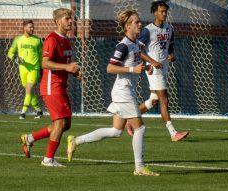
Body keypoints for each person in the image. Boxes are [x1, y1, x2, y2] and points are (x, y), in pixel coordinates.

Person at [67, 10, 159, 176]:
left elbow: (137, 59)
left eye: (139, 22)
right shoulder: (122, 45)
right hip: (123, 92)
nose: (140, 24)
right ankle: (139, 168)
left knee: (116, 131)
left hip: (126, 91)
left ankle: (76, 140)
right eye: (136, 22)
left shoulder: (136, 43)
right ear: (127, 26)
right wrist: (133, 69)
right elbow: (110, 68)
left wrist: (147, 66)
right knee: (140, 128)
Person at [20, 8, 82, 167]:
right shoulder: (52, 39)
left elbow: (64, 65)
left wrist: (73, 71)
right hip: (51, 86)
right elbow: (45, 63)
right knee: (60, 123)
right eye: (67, 18)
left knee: (65, 124)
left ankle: (29, 138)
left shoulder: (66, 40)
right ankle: (48, 159)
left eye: (71, 19)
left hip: (61, 86)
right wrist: (67, 67)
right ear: (58, 21)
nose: (70, 21)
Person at [125, 0, 189, 141]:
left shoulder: (169, 28)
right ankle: (173, 133)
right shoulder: (148, 30)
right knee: (164, 99)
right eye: (162, 11)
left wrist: (171, 55)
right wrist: (152, 61)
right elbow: (138, 50)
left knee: (154, 100)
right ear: (155, 13)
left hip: (163, 67)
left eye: (166, 11)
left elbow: (170, 46)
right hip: (153, 69)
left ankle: (129, 119)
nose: (164, 14)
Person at [7, 20, 43, 119]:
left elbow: (41, 56)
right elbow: (10, 53)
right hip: (22, 69)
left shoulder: (37, 40)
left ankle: (23, 113)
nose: (32, 29)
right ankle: (39, 111)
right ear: (24, 28)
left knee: (29, 89)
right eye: (30, 27)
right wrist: (16, 58)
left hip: (34, 69)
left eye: (33, 27)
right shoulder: (18, 39)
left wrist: (42, 69)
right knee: (29, 91)